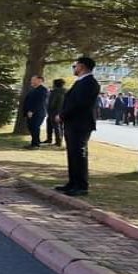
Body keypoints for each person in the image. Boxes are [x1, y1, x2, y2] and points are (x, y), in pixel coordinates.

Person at [57, 57, 100, 196]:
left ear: (81, 66)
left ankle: (81, 185)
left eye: (75, 66)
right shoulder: (81, 82)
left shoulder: (90, 83)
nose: (74, 68)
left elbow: (79, 104)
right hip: (73, 123)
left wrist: (62, 115)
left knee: (79, 154)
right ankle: (72, 182)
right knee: (72, 153)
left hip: (80, 123)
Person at [22, 75, 49, 149]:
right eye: (32, 79)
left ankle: (36, 144)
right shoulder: (33, 89)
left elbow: (39, 102)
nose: (32, 81)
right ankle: (34, 142)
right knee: (31, 127)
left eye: (33, 79)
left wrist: (31, 111)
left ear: (39, 80)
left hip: (37, 113)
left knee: (35, 127)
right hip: (30, 112)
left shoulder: (43, 90)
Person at [46, 78, 67, 147]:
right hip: (63, 111)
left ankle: (57, 142)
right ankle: (57, 140)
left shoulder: (55, 92)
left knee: (56, 126)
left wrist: (49, 109)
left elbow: (52, 103)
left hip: (54, 111)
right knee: (60, 126)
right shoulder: (66, 91)